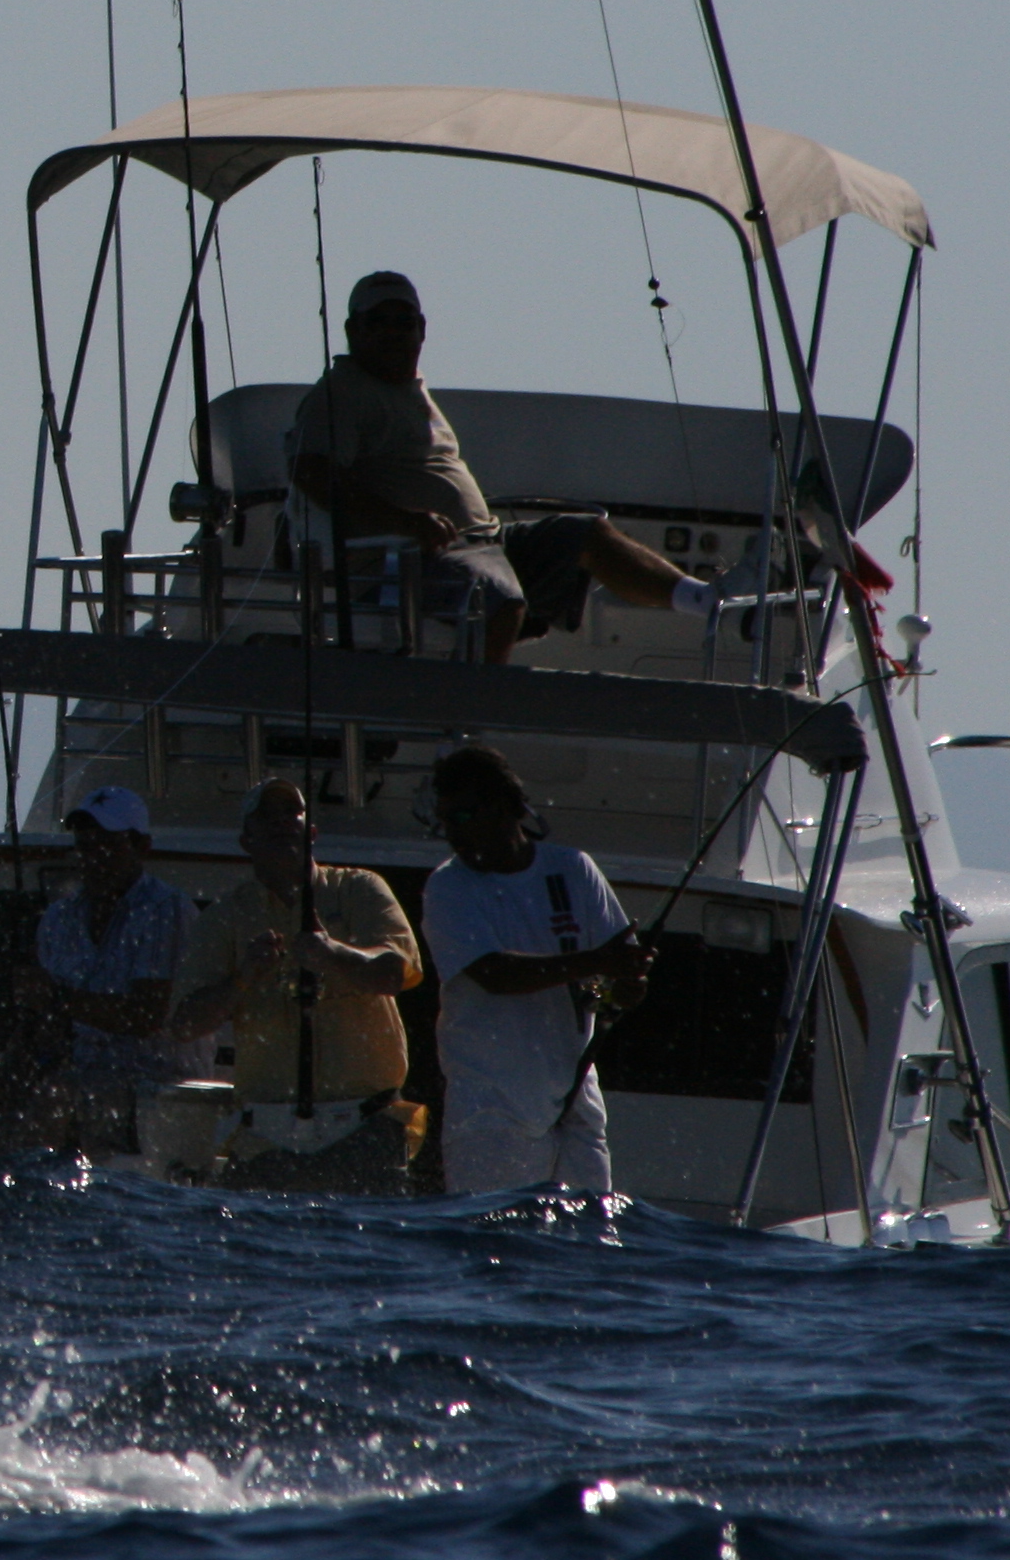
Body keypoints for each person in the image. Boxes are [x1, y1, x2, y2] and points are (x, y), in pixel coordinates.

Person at [286, 270, 716, 665]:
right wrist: (407, 522)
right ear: (351, 330)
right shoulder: (343, 391)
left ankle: (706, 600)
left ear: (422, 330)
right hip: (411, 560)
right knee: (497, 601)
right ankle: (467, 723)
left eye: (405, 322)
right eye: (378, 321)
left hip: (483, 542)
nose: (394, 332)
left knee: (587, 534)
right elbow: (311, 473)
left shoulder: (410, 390)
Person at [165, 779, 426, 1192]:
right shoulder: (224, 918)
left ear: (312, 834)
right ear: (246, 840)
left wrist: (333, 954)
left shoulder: (360, 889)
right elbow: (183, 1025)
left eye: (292, 814)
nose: (282, 823)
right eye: (267, 817)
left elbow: (395, 973)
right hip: (264, 1139)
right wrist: (243, 978)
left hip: (364, 1127)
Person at [418, 744, 652, 1195]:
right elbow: (496, 975)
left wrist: (627, 980)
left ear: (506, 808)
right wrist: (600, 962)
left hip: (576, 1100)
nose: (453, 834)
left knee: (588, 1239)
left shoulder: (574, 869)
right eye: (444, 821)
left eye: (463, 817)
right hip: (489, 1110)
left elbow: (621, 988)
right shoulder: (448, 886)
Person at [5, 786, 193, 1151]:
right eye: (85, 845)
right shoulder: (59, 917)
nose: (93, 857)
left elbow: (145, 1016)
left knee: (52, 1101)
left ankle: (40, 1201)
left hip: (153, 1085)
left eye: (108, 844)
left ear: (142, 848)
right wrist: (13, 1067)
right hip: (77, 1076)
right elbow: (44, 1023)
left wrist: (56, 998)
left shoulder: (165, 909)